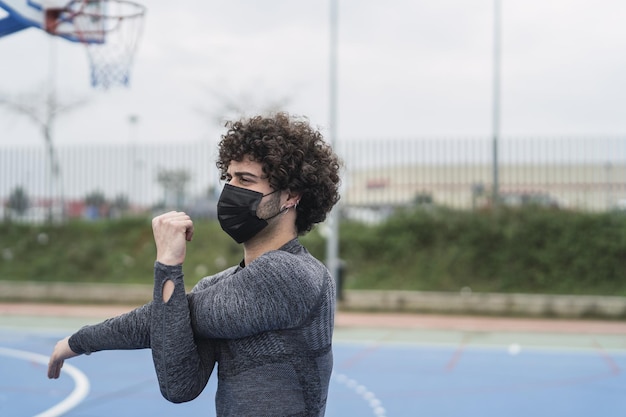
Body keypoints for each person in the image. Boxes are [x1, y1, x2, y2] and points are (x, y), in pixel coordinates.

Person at [47, 112, 342, 417]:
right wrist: (168, 269)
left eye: (245, 179)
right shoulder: (219, 285)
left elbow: (167, 316)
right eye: (228, 177)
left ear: (290, 195)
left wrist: (80, 341)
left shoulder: (290, 274)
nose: (230, 189)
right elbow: (179, 384)